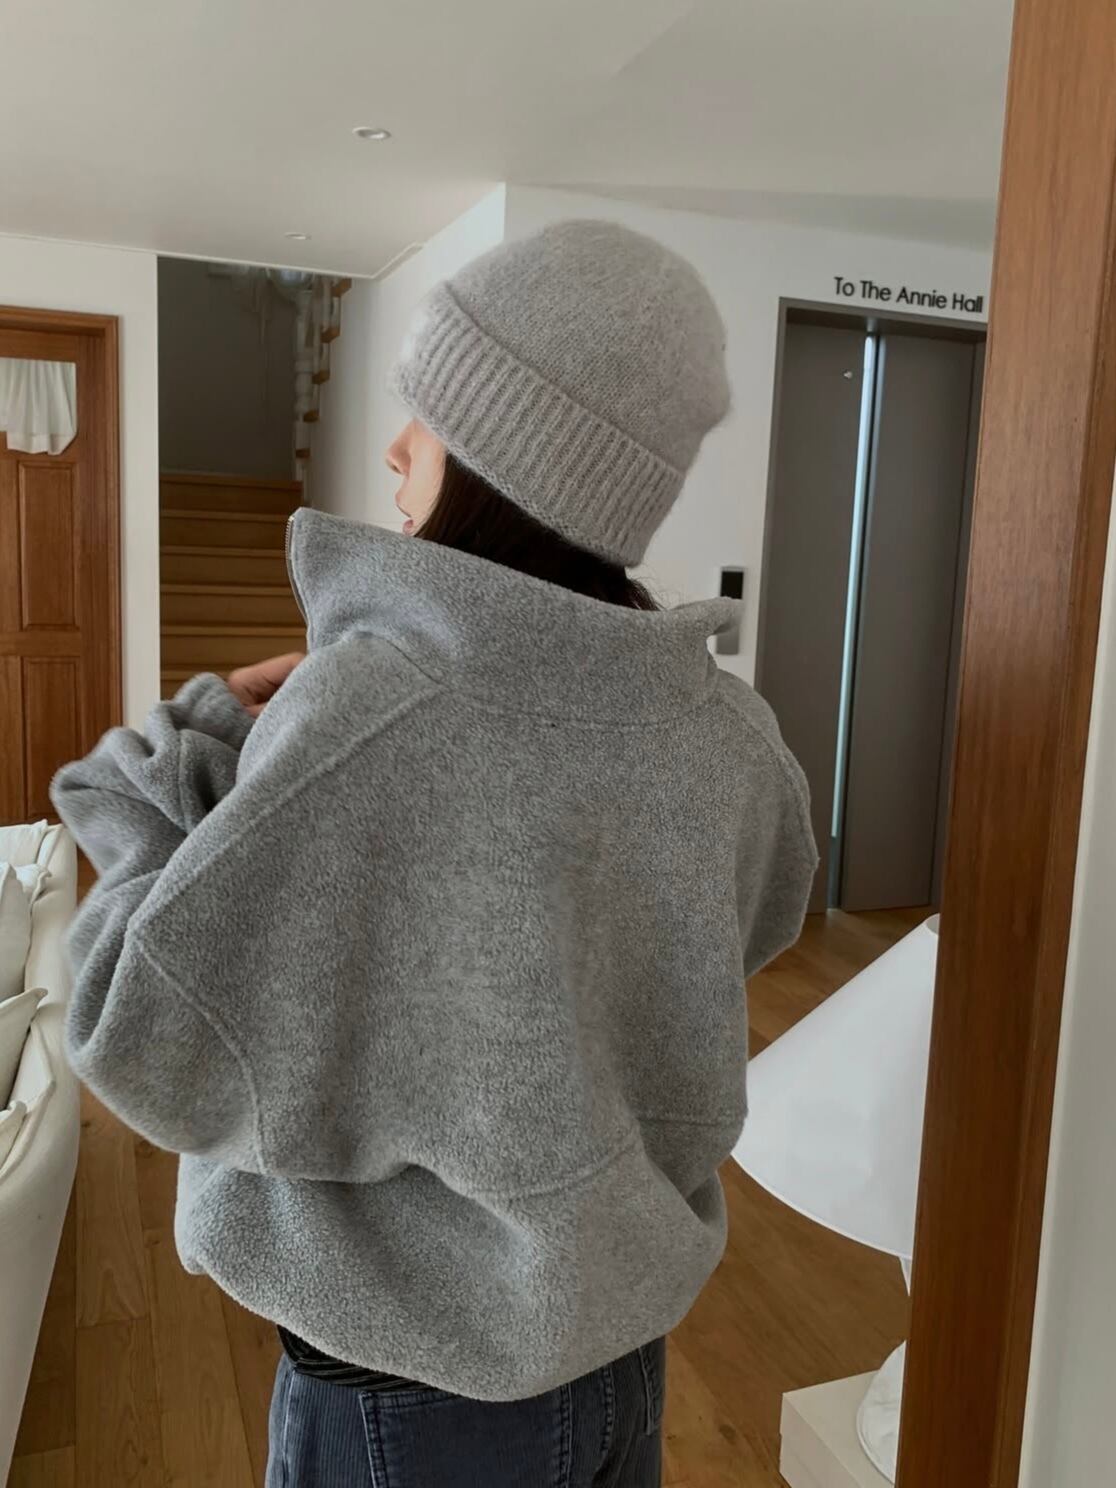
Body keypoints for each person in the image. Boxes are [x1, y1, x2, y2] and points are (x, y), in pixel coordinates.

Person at [52, 220, 816, 1488]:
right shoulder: (731, 736)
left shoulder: (374, 709)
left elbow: (142, 1028)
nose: (398, 448)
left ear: (518, 462)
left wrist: (168, 776)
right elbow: (760, 913)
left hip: (409, 1403)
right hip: (621, 1358)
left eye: (434, 416)